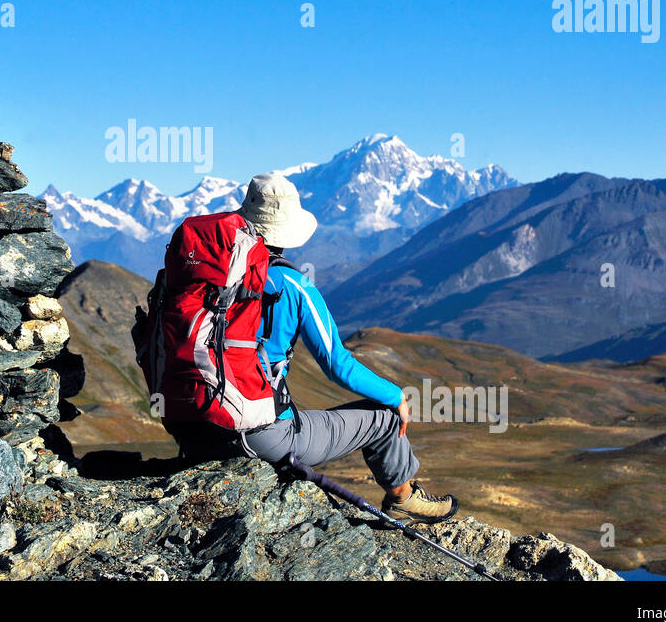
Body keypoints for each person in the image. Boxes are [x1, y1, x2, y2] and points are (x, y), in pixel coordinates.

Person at [172, 172, 458, 524]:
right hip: (259, 436)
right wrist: (396, 396)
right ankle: (404, 499)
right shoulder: (292, 284)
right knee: (383, 420)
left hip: (194, 430)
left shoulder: (199, 277)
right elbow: (338, 363)